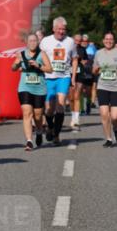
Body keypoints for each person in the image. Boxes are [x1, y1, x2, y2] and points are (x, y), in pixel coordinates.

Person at [12, 31, 52, 151]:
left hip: (39, 88)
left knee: (38, 115)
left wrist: (38, 66)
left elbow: (50, 69)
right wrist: (16, 64)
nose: (33, 43)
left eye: (35, 41)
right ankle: (29, 141)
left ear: (38, 42)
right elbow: (13, 68)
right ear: (27, 43)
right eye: (30, 41)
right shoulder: (21, 54)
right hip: (25, 87)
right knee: (27, 113)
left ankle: (39, 131)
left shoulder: (42, 54)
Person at [41, 16, 77, 146]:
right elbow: (40, 57)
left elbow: (74, 59)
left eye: (64, 29)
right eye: (59, 29)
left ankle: (56, 135)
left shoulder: (70, 42)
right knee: (49, 109)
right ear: (53, 28)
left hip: (64, 77)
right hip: (49, 78)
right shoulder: (45, 41)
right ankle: (50, 127)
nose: (62, 31)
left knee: (60, 105)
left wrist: (73, 77)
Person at [92, 32, 117, 147]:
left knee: (115, 116)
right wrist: (95, 70)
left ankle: (116, 128)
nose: (108, 41)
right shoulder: (98, 53)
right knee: (104, 114)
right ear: (103, 41)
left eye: (111, 39)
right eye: (106, 39)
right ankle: (109, 138)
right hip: (102, 86)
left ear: (114, 41)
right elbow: (94, 70)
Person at [72, 34, 95, 128]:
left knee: (77, 94)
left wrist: (83, 61)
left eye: (79, 40)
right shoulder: (69, 48)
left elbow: (85, 59)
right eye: (76, 40)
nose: (78, 42)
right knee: (71, 97)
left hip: (80, 73)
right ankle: (74, 114)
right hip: (69, 73)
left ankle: (76, 118)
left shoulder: (82, 49)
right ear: (73, 40)